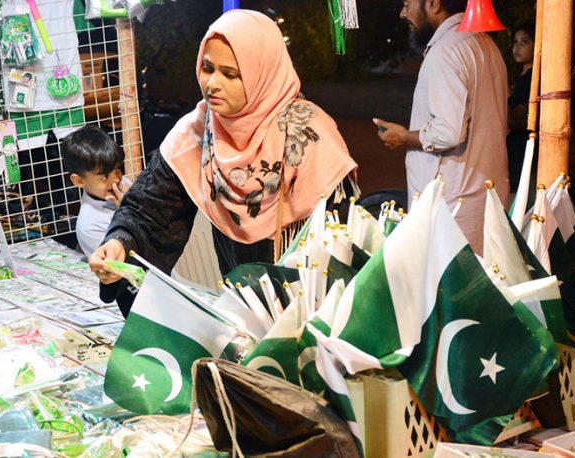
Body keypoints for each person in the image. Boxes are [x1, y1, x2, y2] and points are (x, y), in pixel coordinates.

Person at [88, 10, 358, 316]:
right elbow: (151, 208)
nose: (212, 84)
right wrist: (120, 244)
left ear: (262, 74)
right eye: (207, 68)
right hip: (241, 304)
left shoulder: (309, 135)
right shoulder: (199, 129)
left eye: (231, 74)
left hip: (310, 309)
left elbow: (339, 246)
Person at [372, 0, 509, 254]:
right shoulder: (486, 45)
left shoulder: (446, 51)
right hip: (484, 202)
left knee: (444, 290)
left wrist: (403, 138)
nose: (403, 13)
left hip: (451, 210)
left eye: (407, 4)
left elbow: (448, 132)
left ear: (433, 4)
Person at [61, 125, 131, 257]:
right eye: (105, 177)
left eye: (118, 170)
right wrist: (127, 212)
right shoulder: (89, 226)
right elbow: (119, 265)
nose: (116, 179)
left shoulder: (125, 184)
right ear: (79, 181)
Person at [507, 23, 536, 195]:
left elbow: (522, 113)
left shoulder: (533, 77)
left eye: (524, 42)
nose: (517, 47)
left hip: (523, 142)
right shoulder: (522, 75)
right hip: (516, 143)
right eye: (515, 42)